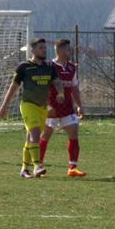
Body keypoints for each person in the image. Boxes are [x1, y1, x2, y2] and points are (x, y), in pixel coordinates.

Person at [0, 38, 61, 178]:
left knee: (30, 138)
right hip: (28, 105)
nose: (44, 50)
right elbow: (13, 87)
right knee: (35, 133)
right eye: (41, 47)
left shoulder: (50, 66)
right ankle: (37, 166)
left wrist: (60, 94)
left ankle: (24, 169)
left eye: (45, 47)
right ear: (33, 50)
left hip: (42, 108)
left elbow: (57, 82)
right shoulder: (24, 67)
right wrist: (4, 106)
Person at [40, 38, 86, 177]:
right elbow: (42, 88)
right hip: (52, 109)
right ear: (59, 51)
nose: (69, 52)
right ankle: (38, 165)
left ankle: (72, 167)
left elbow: (74, 88)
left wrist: (79, 105)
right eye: (67, 50)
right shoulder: (49, 67)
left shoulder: (71, 67)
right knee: (45, 136)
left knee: (74, 133)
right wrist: (47, 105)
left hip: (67, 108)